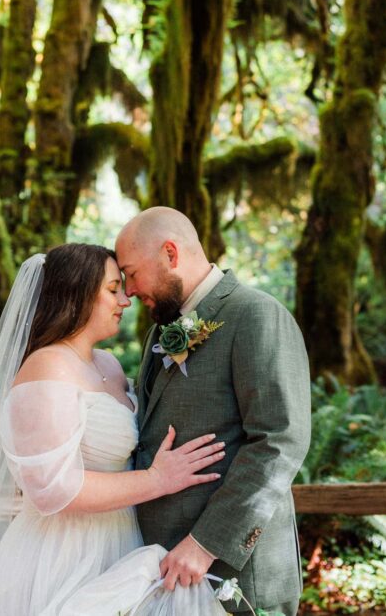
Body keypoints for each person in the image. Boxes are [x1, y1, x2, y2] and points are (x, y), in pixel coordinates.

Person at [0, 243, 229, 615]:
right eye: (113, 288)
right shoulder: (46, 367)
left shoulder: (110, 365)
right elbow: (52, 490)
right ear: (77, 293)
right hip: (64, 552)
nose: (126, 300)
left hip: (123, 536)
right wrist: (157, 479)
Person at [115, 207, 312, 616]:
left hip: (235, 575)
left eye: (131, 273)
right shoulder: (159, 331)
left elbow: (279, 441)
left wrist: (206, 543)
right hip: (163, 569)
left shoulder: (256, 315)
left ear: (170, 253)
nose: (129, 291)